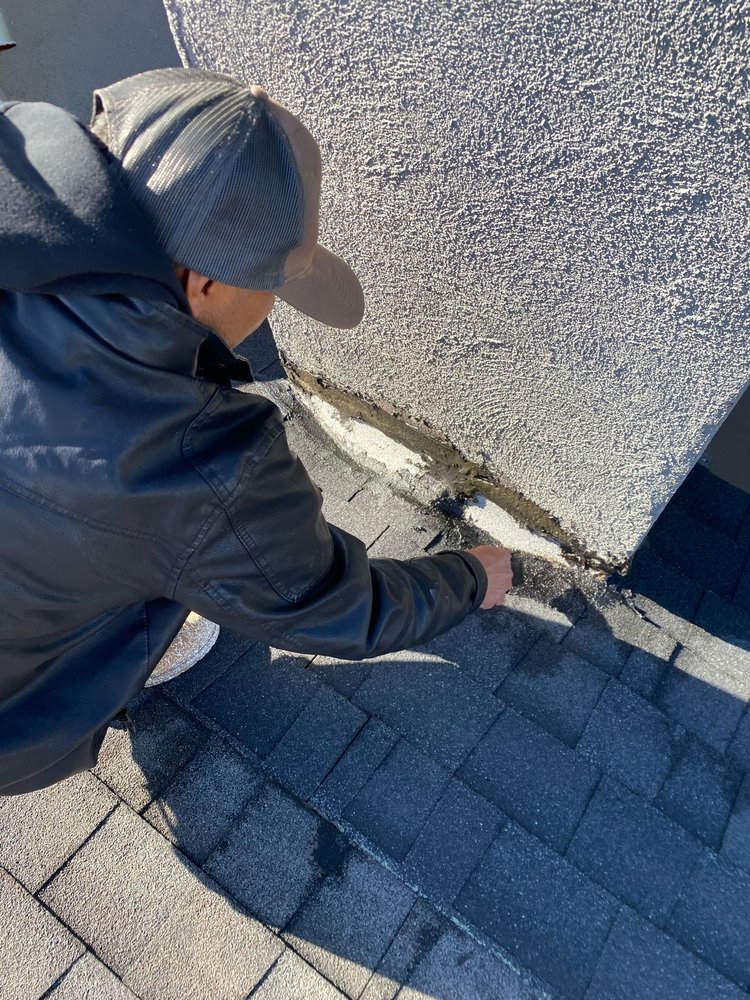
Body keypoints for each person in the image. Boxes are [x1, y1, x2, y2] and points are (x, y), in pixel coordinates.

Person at [0, 67, 513, 795]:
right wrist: (468, 578)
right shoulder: (200, 464)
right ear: (205, 284)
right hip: (16, 724)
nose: (272, 308)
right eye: (272, 284)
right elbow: (332, 607)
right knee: (195, 617)